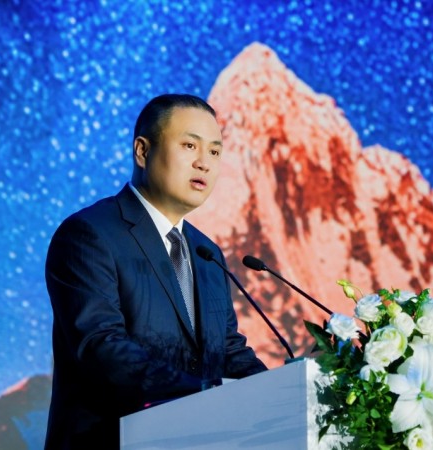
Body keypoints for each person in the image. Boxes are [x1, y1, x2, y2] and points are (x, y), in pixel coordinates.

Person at [44, 93, 268, 449]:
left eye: (214, 152)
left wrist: (281, 394)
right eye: (190, 146)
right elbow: (101, 347)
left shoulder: (206, 253)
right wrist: (204, 394)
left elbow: (227, 350)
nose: (204, 163)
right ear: (142, 151)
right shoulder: (89, 234)